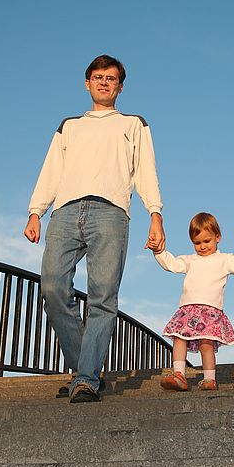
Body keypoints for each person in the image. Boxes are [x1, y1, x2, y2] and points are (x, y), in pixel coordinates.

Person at [23, 54, 165, 403]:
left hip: (111, 213)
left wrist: (155, 213)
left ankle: (85, 378)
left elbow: (145, 170)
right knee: (53, 289)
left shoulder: (133, 124)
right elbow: (51, 170)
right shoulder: (70, 125)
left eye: (111, 78)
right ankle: (84, 368)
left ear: (120, 86)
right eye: (98, 77)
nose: (104, 82)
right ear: (87, 83)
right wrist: (35, 212)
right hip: (66, 212)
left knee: (102, 296)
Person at [154, 212, 234, 392]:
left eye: (207, 241)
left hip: (210, 310)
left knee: (207, 344)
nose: (202, 246)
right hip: (188, 309)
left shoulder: (224, 260)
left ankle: (209, 379)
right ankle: (179, 374)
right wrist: (159, 252)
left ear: (217, 237)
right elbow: (171, 264)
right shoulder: (190, 260)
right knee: (179, 337)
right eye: (197, 243)